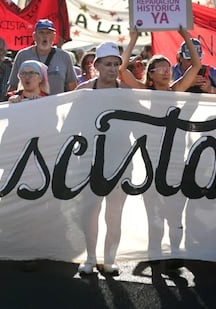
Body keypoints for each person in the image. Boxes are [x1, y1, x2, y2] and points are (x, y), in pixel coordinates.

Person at [75, 42, 126, 276]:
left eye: (116, 64)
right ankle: (90, 257)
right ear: (96, 66)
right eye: (108, 64)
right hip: (90, 160)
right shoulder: (84, 90)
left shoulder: (126, 91)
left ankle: (109, 260)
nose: (113, 69)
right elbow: (71, 123)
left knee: (114, 213)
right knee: (90, 211)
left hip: (120, 160)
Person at [120, 27, 201, 92]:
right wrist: (133, 40)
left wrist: (186, 37)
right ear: (151, 74)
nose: (166, 73)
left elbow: (196, 65)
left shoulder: (175, 90)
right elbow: (121, 69)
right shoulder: (144, 91)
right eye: (161, 69)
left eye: (168, 69)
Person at [8, 19, 77, 95]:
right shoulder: (23, 55)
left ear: (54, 37)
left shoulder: (64, 56)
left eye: (48, 33)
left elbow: (72, 86)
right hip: (30, 105)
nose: (45, 36)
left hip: (56, 105)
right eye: (41, 33)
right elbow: (13, 86)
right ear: (34, 36)